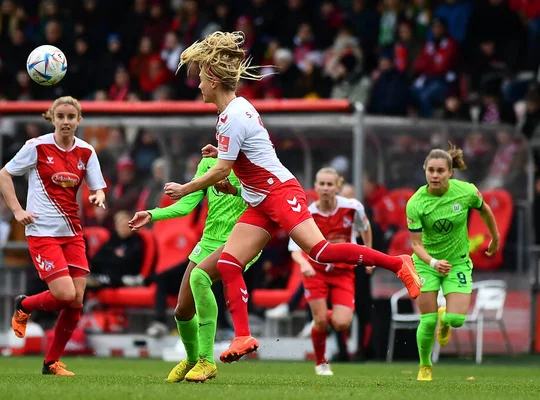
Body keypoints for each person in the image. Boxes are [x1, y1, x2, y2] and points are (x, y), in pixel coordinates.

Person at [165, 31, 421, 363]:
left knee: (322, 251)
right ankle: (242, 337)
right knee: (229, 262)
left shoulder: (232, 116)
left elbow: (219, 171)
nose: (197, 85)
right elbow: (244, 159)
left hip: (279, 192)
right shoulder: (233, 112)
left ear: (213, 79)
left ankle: (398, 262)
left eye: (200, 78)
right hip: (259, 199)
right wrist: (228, 157)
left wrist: (185, 188)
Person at [0, 96, 107, 376]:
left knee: (77, 300)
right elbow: (3, 175)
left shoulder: (86, 151)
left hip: (72, 232)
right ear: (53, 118)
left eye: (71, 117)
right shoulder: (36, 146)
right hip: (42, 232)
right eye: (61, 116)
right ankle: (24, 304)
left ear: (79, 120)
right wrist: (17, 210)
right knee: (65, 294)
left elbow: (98, 188)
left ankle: (51, 363)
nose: (66, 122)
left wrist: (97, 195)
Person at [129, 156, 259, 382]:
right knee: (182, 310)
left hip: (240, 240)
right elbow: (187, 204)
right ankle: (191, 359)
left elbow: (262, 198)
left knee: (200, 278)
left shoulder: (252, 162)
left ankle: (206, 360)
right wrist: (152, 214)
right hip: (208, 241)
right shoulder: (209, 164)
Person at [406, 144, 500, 381]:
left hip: (457, 262)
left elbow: (485, 209)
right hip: (427, 262)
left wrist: (495, 237)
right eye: (431, 170)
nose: (435, 175)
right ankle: (425, 366)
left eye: (440, 171)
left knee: (457, 319)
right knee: (427, 322)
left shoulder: (466, 191)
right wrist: (434, 261)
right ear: (425, 171)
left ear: (450, 172)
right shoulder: (416, 203)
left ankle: (445, 319)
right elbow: (415, 244)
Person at [287, 168, 372, 375]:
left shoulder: (353, 208)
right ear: (315, 187)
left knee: (342, 323)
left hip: (343, 271)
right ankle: (321, 362)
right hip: (316, 272)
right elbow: (294, 249)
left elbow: (365, 229)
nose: (325, 188)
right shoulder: (308, 214)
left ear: (337, 187)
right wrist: (304, 264)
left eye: (329, 184)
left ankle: (323, 317)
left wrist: (369, 256)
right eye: (321, 184)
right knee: (321, 321)